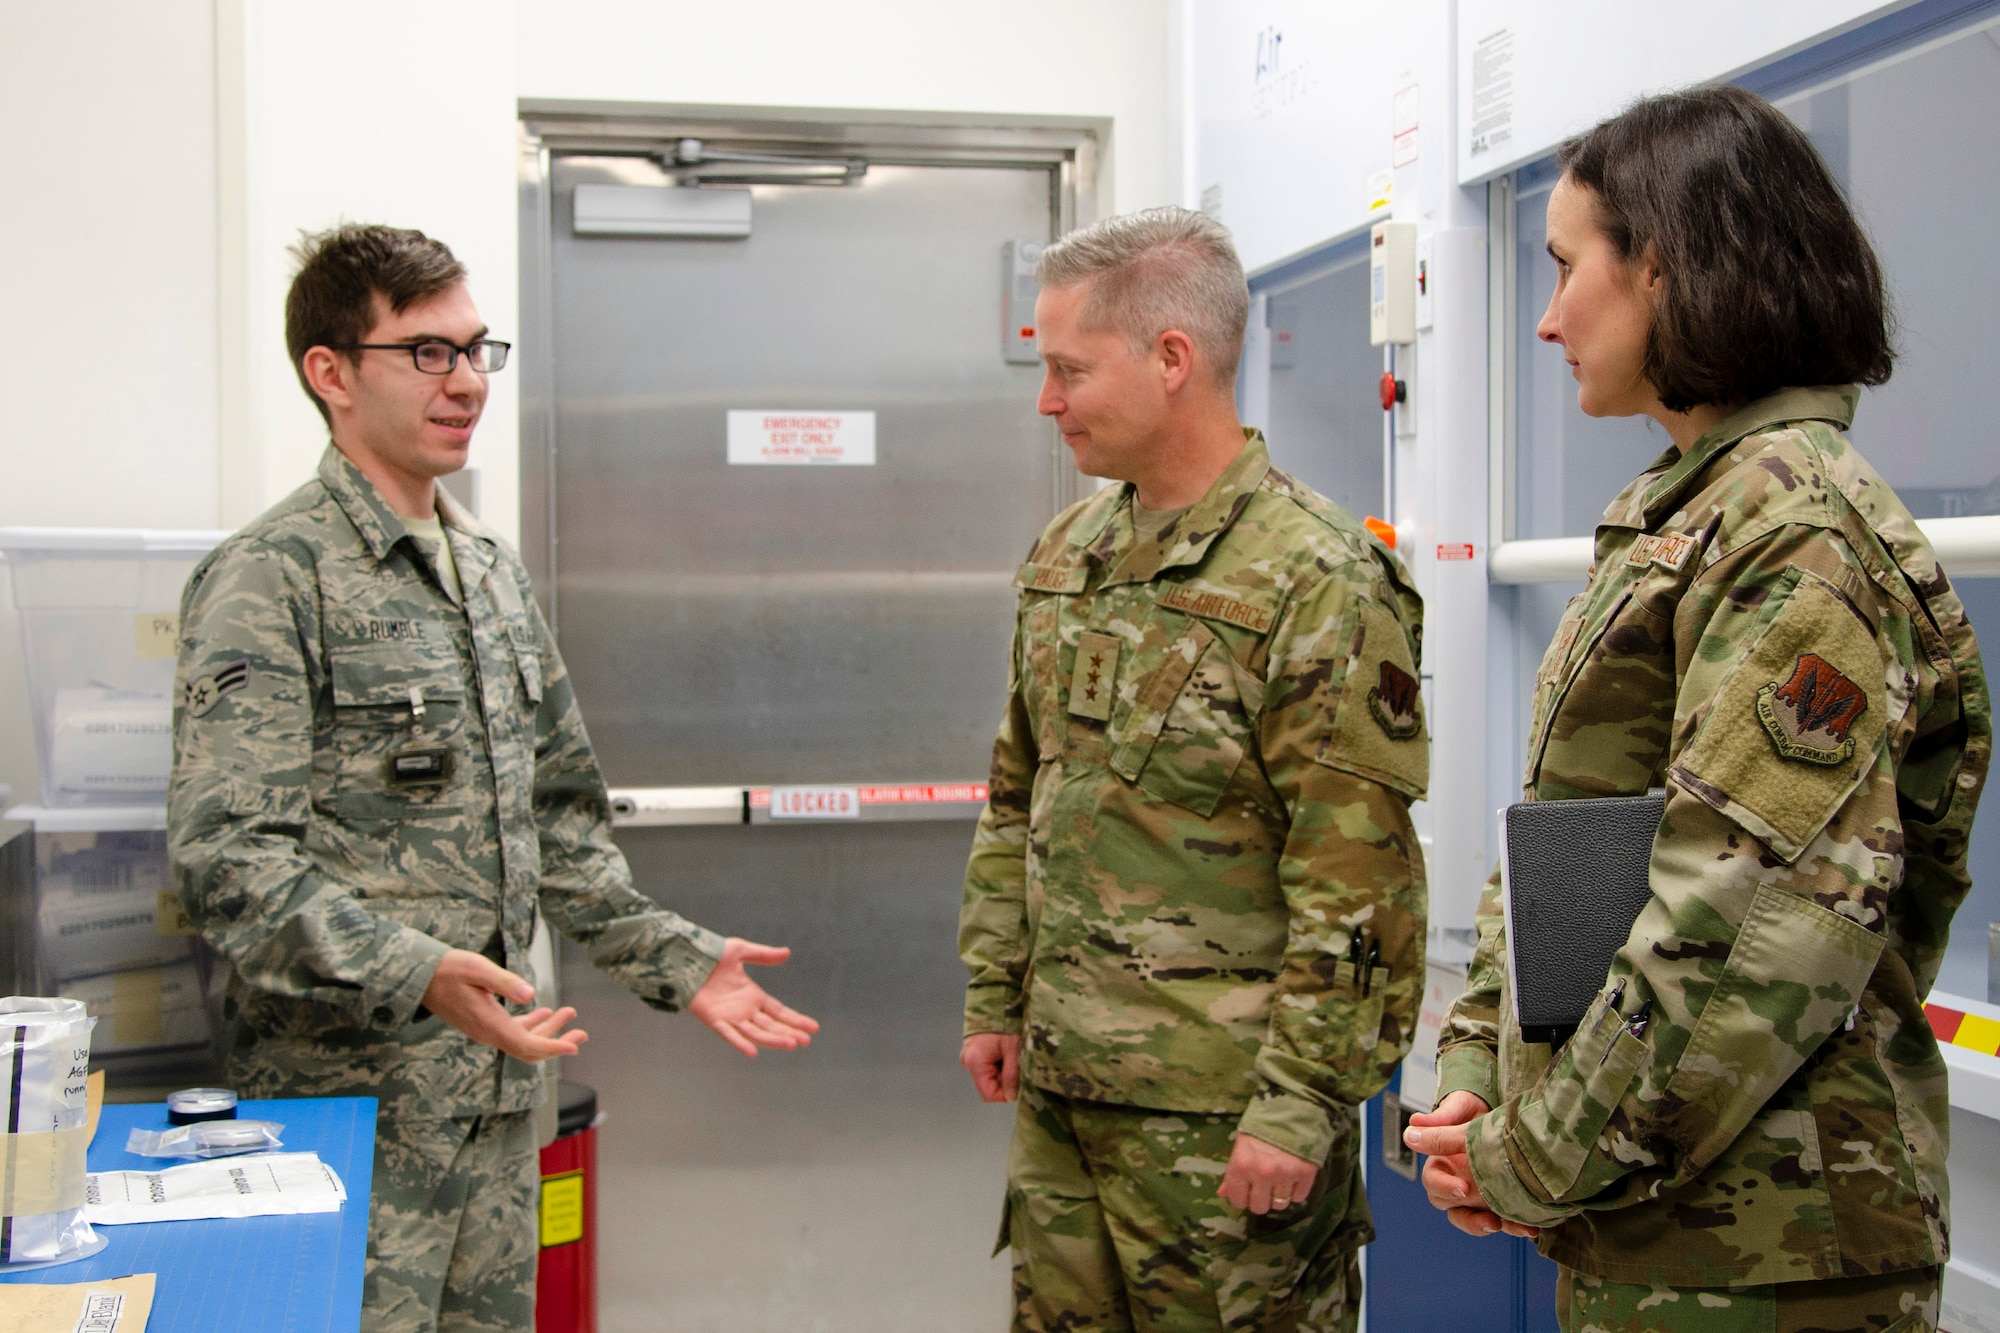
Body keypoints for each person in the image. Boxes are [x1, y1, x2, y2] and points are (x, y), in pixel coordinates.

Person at [1402, 87, 1990, 1333]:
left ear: (1664, 266)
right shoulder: (1692, 511)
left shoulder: (1796, 533)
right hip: (1661, 1215)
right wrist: (1471, 1081)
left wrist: (1530, 1158)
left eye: (1568, 269)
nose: (1549, 318)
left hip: (1767, 1252)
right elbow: (1565, 844)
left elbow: (1737, 931)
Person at [169, 223, 820, 1333]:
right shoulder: (270, 579)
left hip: (499, 1107)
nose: (466, 381)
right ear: (329, 372)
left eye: (478, 350)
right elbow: (229, 863)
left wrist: (677, 959)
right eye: (427, 352)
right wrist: (419, 970)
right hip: (353, 1125)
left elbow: (558, 825)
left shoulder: (488, 574)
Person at [958, 206, 1430, 1332]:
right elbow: (1018, 790)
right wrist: (995, 987)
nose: (1045, 399)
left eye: (1067, 368)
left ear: (1171, 358)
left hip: (1225, 1123)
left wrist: (1301, 1103)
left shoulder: (1317, 578)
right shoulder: (1067, 556)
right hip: (1067, 1100)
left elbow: (1355, 882)